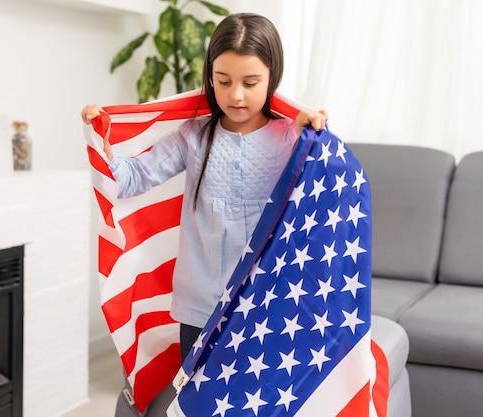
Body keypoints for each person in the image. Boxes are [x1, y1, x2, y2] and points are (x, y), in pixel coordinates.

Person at [81, 12, 328, 362]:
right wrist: (104, 144)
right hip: (200, 308)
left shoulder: (292, 138)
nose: (236, 95)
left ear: (273, 77)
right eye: (223, 81)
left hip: (266, 304)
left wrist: (312, 137)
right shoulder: (194, 136)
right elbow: (132, 178)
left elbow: (322, 197)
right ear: (209, 77)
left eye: (250, 82)